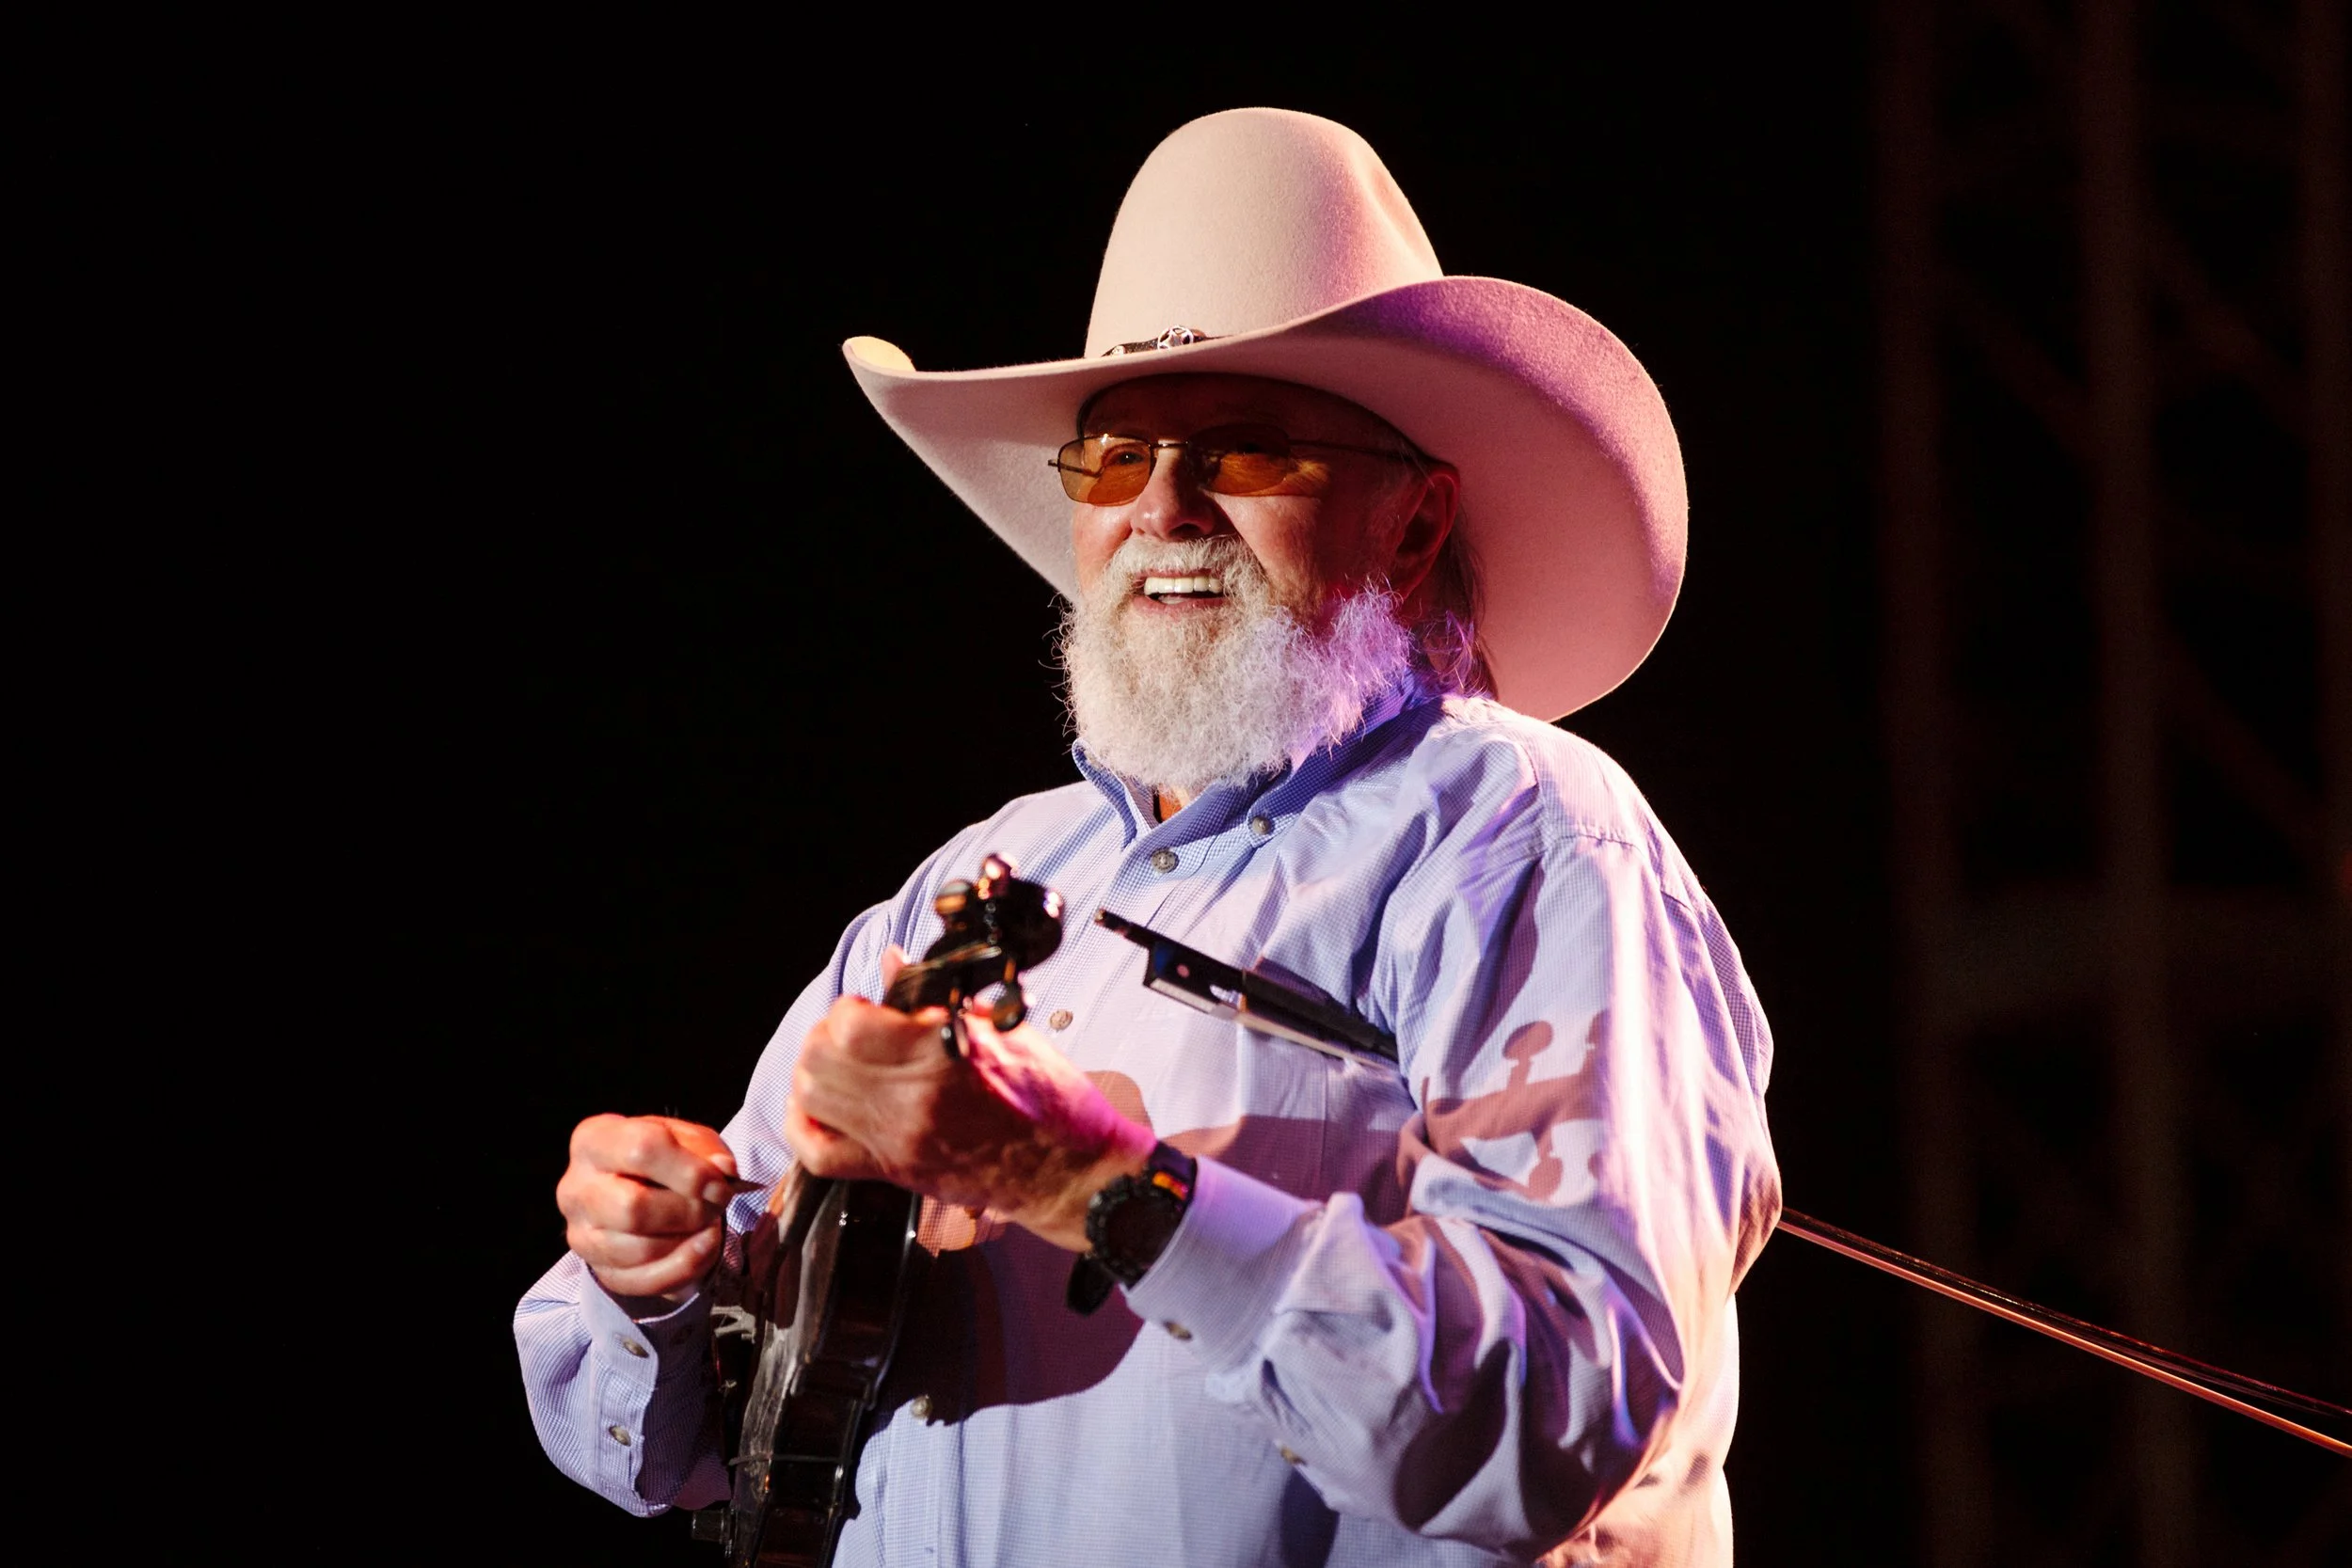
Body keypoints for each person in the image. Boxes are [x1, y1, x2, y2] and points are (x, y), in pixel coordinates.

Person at [517, 107, 1780, 1567]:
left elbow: (1557, 1419)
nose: (1165, 506)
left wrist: (1082, 1179)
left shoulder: (1523, 836)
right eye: (1115, 458)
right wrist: (651, 1267)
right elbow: (665, 1447)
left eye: (1247, 449)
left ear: (1417, 524)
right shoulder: (962, 888)